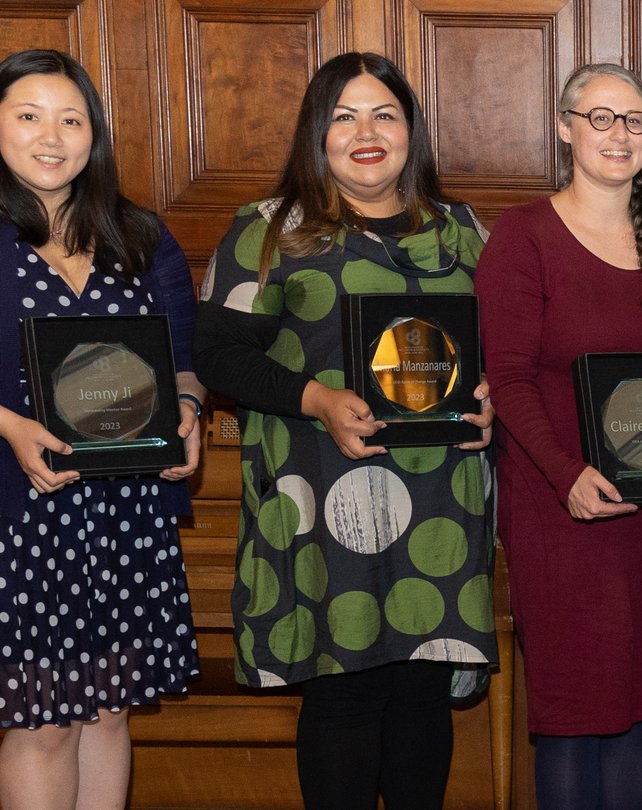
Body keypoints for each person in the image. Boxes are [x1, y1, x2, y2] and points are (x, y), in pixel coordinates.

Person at [192, 52, 495, 810]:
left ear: (410, 131)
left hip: (440, 500)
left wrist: (493, 398)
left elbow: (498, 349)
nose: (367, 133)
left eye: (384, 115)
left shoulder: (461, 231)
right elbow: (216, 352)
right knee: (344, 695)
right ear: (315, 134)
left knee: (422, 693)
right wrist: (317, 399)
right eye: (344, 117)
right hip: (323, 494)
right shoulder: (269, 230)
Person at [475, 63, 642, 808]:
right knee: (574, 710)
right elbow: (509, 378)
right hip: (563, 510)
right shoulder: (523, 235)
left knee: (640, 703)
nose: (620, 134)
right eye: (601, 118)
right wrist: (567, 477)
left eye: (634, 120)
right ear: (565, 129)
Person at [0, 48, 202, 807]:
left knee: (110, 712)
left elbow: (183, 361)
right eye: (29, 115)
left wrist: (188, 412)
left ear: (94, 135)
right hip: (21, 513)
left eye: (71, 119)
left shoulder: (139, 235)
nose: (51, 137)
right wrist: (11, 427)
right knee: (45, 721)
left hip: (125, 511)